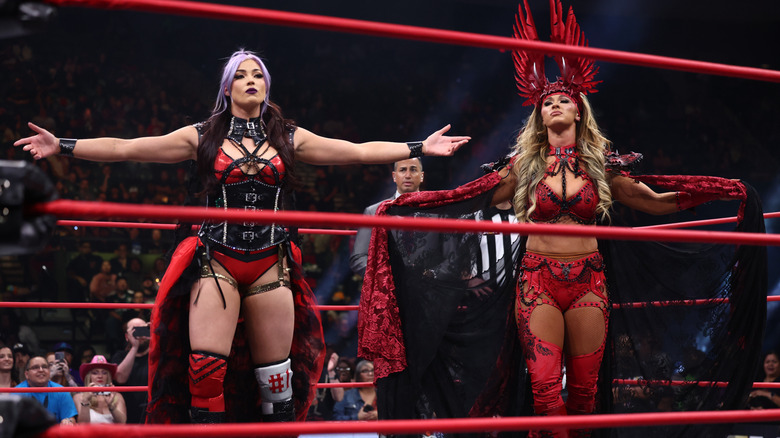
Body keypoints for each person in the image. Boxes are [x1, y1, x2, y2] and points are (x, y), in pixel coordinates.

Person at [359, 2, 766, 437]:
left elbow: (654, 201)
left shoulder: (601, 165)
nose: (554, 105)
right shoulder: (521, 166)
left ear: (578, 111)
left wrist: (724, 190)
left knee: (585, 395)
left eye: (562, 100)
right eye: (547, 102)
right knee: (546, 392)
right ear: (539, 115)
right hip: (538, 280)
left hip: (589, 280)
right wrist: (407, 206)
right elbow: (469, 197)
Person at [15, 48, 467, 424]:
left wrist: (418, 147)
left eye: (259, 75)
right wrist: (65, 145)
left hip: (271, 261)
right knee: (205, 373)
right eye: (242, 75)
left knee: (277, 381)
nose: (252, 80)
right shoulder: (202, 135)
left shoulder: (289, 137)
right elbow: (128, 146)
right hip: (217, 261)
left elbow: (354, 152)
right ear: (228, 86)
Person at [349, 157, 424, 275]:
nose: (408, 175)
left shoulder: (436, 211)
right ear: (394, 176)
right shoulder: (373, 212)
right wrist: (385, 277)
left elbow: (447, 256)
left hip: (427, 287)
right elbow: (359, 258)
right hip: (386, 287)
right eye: (403, 170)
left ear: (422, 176)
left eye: (413, 170)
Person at [16, 356, 78, 425]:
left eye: (44, 367)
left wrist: (68, 421)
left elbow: (71, 419)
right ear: (27, 374)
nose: (41, 370)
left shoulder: (61, 391)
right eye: (35, 367)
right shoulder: (17, 393)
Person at [110, 317, 150, 424]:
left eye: (143, 330)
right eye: (135, 331)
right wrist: (134, 347)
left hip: (152, 416)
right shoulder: (119, 356)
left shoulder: (156, 356)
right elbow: (120, 378)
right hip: (128, 417)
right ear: (127, 337)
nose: (140, 335)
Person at [73, 355, 128, 424]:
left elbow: (122, 423)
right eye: (95, 373)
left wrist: (111, 406)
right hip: (90, 434)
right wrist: (85, 400)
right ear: (89, 376)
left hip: (112, 434)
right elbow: (82, 425)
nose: (100, 376)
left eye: (104, 373)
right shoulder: (79, 397)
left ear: (108, 376)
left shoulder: (117, 396)